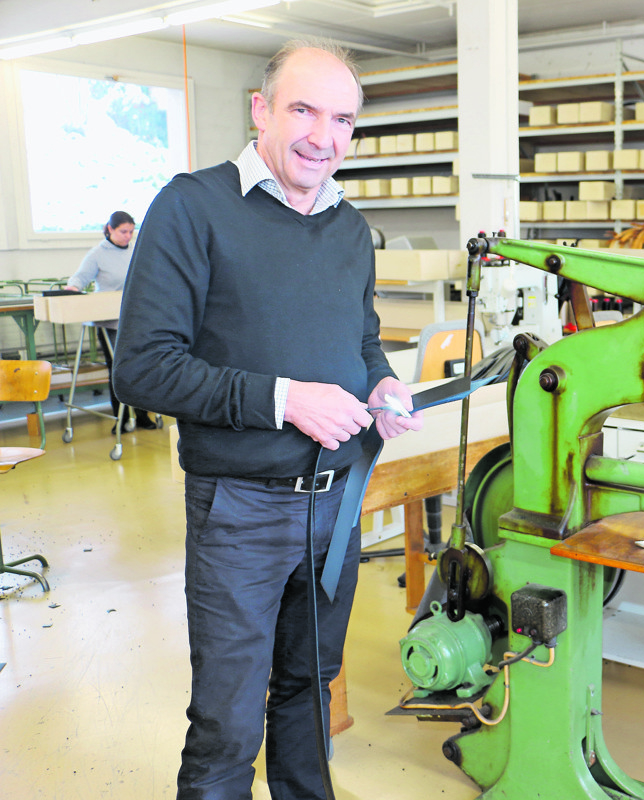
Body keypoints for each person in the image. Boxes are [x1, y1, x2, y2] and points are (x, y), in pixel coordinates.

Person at [113, 39, 423, 800]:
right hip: (239, 512)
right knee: (225, 724)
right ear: (260, 111)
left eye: (343, 119)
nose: (324, 136)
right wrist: (287, 398)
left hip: (336, 507)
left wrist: (381, 386)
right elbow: (144, 367)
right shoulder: (192, 207)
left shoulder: (351, 228)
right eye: (304, 110)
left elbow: (360, 339)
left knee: (309, 695)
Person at [64, 210, 155, 432]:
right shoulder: (97, 254)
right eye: (123, 231)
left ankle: (142, 415)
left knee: (143, 365)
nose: (128, 236)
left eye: (132, 232)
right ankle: (121, 419)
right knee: (118, 368)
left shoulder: (136, 251)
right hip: (110, 323)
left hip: (136, 319)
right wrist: (72, 288)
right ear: (110, 229)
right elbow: (80, 277)